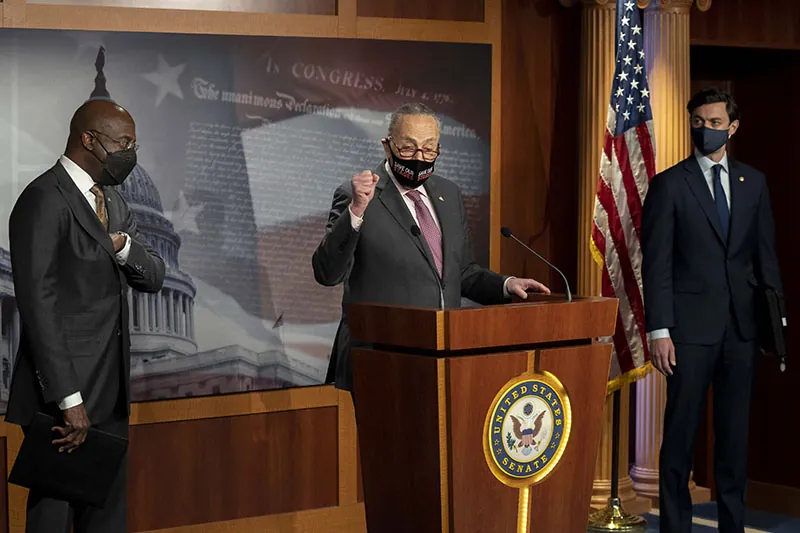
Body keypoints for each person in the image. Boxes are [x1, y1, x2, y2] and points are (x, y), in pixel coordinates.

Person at [6, 99, 165, 533]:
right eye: (124, 143)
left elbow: (153, 277)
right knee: (53, 520)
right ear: (88, 140)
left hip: (111, 395)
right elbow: (39, 305)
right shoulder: (42, 199)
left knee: (108, 519)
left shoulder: (113, 202)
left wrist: (125, 246)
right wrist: (68, 400)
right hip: (62, 402)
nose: (131, 153)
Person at [313, 102, 550, 391]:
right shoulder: (359, 197)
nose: (419, 157)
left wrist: (506, 284)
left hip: (440, 360)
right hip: (378, 363)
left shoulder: (448, 194)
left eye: (428, 148)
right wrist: (357, 209)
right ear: (387, 146)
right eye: (408, 148)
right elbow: (327, 273)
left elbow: (460, 273)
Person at [642, 87, 784, 533]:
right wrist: (658, 330)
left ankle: (732, 527)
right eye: (698, 122)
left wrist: (774, 329)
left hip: (740, 332)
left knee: (733, 439)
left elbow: (766, 260)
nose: (705, 129)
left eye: (715, 123)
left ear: (733, 127)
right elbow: (657, 263)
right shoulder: (669, 184)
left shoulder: (753, 182)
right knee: (679, 438)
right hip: (687, 332)